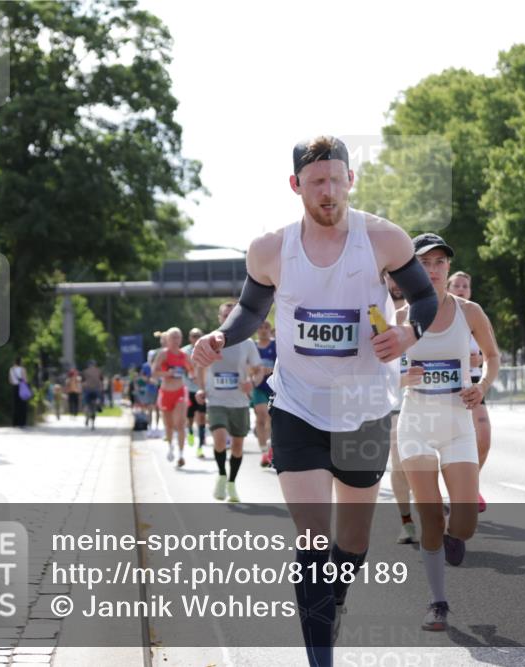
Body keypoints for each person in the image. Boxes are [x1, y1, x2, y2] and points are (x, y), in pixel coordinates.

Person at [192, 136, 437, 667]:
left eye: (336, 179)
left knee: (350, 543)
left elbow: (424, 298)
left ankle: (335, 600)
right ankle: (320, 658)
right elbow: (250, 313)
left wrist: (408, 333)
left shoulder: (383, 239)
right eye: (316, 181)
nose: (328, 191)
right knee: (313, 536)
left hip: (364, 406)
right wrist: (220, 340)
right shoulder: (270, 250)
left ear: (351, 179)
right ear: (296, 185)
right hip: (297, 404)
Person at [396, 233, 500, 631]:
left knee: (466, 521)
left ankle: (455, 535)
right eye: (425, 263)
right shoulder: (400, 319)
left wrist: (482, 386)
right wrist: (401, 378)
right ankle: (438, 602)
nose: (434, 269)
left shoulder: (468, 311)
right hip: (416, 425)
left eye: (440, 262)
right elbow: (376, 373)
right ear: (412, 270)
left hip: (457, 424)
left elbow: (492, 357)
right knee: (429, 518)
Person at [195, 302, 262, 502]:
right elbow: (200, 366)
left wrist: (252, 382)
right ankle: (222, 475)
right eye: (225, 315)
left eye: (232, 315)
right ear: (219, 318)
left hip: (239, 402)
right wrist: (201, 388)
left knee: (238, 447)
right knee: (219, 438)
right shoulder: (210, 340)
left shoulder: (247, 343)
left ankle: (232, 482)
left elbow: (258, 370)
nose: (228, 319)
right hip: (216, 400)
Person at [447, 270, 492, 514]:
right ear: (448, 288)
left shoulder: (476, 315)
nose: (462, 289)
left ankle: (470, 488)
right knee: (450, 445)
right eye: (457, 285)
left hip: (472, 387)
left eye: (466, 285)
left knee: (483, 436)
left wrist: (480, 361)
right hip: (444, 389)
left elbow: (491, 353)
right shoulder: (440, 315)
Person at [385, 275, 417, 544]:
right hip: (396, 404)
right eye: (390, 275)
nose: (396, 280)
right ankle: (406, 521)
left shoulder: (425, 306)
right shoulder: (376, 309)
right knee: (399, 464)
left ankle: (434, 501)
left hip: (430, 400)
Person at [152, 327, 194, 465]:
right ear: (167, 340)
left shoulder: (184, 355)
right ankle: (170, 447)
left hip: (180, 392)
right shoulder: (163, 354)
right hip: (165, 393)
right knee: (169, 426)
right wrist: (167, 374)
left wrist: (193, 374)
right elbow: (154, 372)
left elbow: (192, 369)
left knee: (180, 424)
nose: (176, 340)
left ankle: (181, 455)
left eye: (178, 337)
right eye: (173, 337)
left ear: (181, 339)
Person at [252, 319, 277, 466]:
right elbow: (247, 366)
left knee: (271, 420)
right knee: (261, 415)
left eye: (266, 327)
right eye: (260, 327)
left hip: (274, 387)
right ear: (257, 330)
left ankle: (271, 448)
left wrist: (271, 370)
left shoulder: (276, 345)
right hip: (259, 386)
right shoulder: (253, 347)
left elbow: (284, 366)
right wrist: (255, 371)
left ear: (270, 329)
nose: (263, 330)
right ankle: (263, 452)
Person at [182, 328, 209, 458]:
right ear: (189, 338)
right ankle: (191, 432)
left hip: (201, 389)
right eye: (193, 336)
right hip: (188, 389)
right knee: (190, 418)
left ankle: (200, 446)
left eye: (198, 335)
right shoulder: (184, 351)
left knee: (202, 417)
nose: (196, 338)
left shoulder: (206, 349)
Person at [81, 360, 104, 430]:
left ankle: (87, 415)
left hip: (88, 390)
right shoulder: (99, 371)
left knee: (86, 404)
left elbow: (83, 382)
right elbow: (101, 380)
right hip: (96, 390)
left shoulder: (85, 372)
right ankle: (99, 404)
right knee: (99, 398)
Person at [8, 357, 29, 427]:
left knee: (15, 405)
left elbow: (10, 380)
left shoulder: (11, 369)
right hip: (21, 387)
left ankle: (15, 422)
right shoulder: (22, 369)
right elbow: (25, 379)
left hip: (14, 387)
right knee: (22, 406)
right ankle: (22, 423)